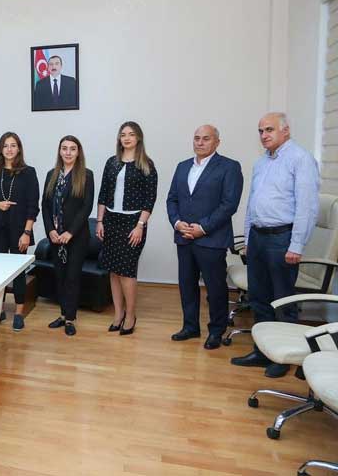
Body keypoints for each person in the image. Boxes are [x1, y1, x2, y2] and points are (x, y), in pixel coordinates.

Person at [231, 112, 319, 377]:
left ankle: (284, 357)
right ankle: (262, 351)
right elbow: (252, 204)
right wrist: (248, 239)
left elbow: (307, 207)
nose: (263, 135)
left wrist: (297, 245)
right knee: (259, 299)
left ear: (285, 130)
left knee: (283, 301)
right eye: (260, 131)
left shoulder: (300, 159)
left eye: (269, 129)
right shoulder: (261, 163)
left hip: (282, 238)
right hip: (258, 237)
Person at [166, 125, 243, 350]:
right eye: (197, 138)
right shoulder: (182, 166)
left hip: (212, 239)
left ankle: (216, 331)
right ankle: (190, 327)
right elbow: (172, 199)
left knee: (215, 287)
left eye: (206, 139)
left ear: (217, 142)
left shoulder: (229, 167)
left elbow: (229, 204)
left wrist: (203, 228)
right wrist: (177, 222)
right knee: (187, 285)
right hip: (184, 237)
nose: (200, 142)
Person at [96, 121, 158, 336]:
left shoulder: (146, 164)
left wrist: (140, 225)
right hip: (111, 221)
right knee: (113, 271)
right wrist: (100, 221)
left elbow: (150, 199)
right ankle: (118, 314)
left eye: (131, 134)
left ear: (138, 138)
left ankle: (131, 316)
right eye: (123, 134)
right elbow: (103, 193)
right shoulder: (111, 163)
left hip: (133, 223)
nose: (127, 138)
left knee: (127, 272)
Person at [0, 132, 39, 332]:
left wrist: (27, 232)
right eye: (5, 145)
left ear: (19, 149)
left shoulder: (28, 172)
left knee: (18, 273)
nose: (9, 149)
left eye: (13, 145)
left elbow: (33, 206)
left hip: (19, 230)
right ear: (0, 149)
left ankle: (18, 313)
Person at [41, 136, 94, 337]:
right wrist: (50, 231)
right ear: (59, 151)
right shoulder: (51, 175)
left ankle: (70, 319)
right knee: (60, 276)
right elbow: (45, 205)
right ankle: (63, 315)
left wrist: (69, 232)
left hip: (77, 236)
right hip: (56, 237)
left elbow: (86, 207)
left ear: (78, 152)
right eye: (64, 148)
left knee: (72, 277)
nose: (68, 152)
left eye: (72, 149)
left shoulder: (86, 175)